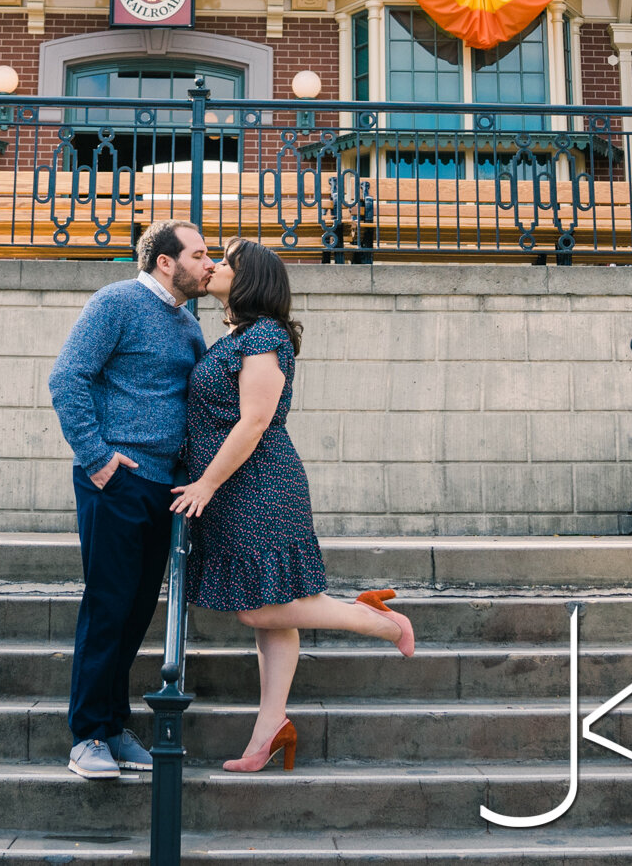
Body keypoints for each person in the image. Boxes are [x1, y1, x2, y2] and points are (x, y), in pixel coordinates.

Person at [171, 239, 414, 774]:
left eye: (224, 261)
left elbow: (255, 420)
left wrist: (205, 485)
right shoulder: (238, 335)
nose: (211, 265)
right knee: (271, 614)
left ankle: (378, 622)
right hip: (234, 488)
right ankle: (269, 731)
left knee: (259, 607)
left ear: (249, 278)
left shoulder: (264, 336)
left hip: (258, 486)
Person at [46, 218, 213, 781]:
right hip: (115, 480)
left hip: (164, 489)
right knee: (109, 606)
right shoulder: (115, 302)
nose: (208, 263)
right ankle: (87, 735)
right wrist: (97, 458)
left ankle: (114, 727)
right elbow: (67, 377)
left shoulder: (187, 325)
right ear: (166, 261)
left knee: (137, 611)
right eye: (199, 253)